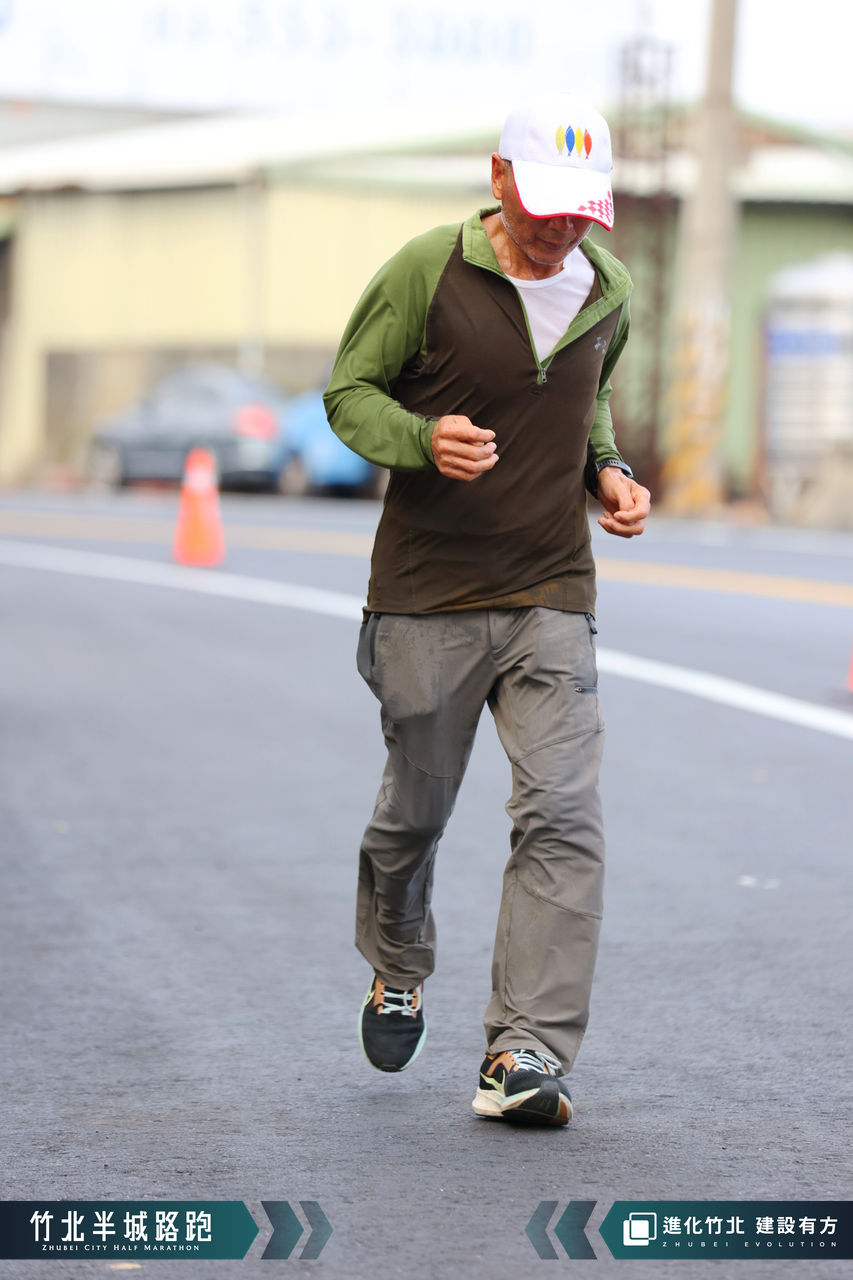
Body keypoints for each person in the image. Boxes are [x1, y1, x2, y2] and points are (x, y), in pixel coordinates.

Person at [324, 91, 651, 1126]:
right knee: (413, 815)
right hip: (427, 593)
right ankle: (398, 960)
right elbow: (348, 392)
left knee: (562, 812)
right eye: (544, 206)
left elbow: (586, 394)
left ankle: (524, 1051)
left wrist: (607, 469)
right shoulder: (427, 269)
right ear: (499, 177)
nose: (561, 230)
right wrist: (422, 439)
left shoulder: (607, 287)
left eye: (580, 212)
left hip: (550, 587)